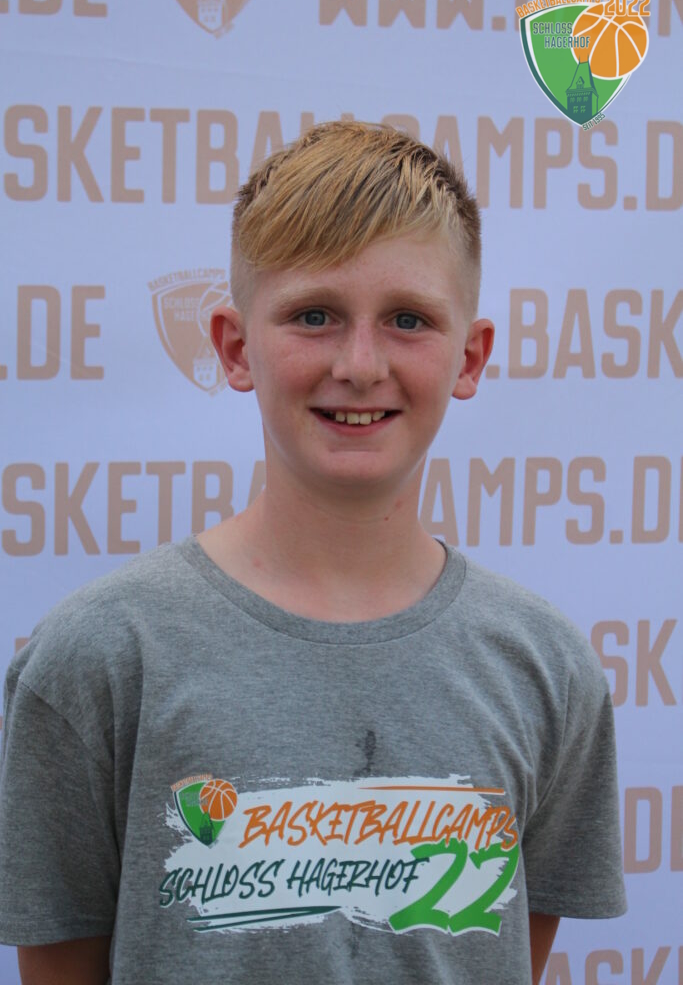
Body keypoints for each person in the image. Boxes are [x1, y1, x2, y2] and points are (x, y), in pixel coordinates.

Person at [0, 121, 626, 984]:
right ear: (235, 347)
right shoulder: (101, 656)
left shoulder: (544, 667)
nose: (360, 365)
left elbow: (509, 955)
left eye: (407, 319)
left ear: (469, 356)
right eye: (313, 316)